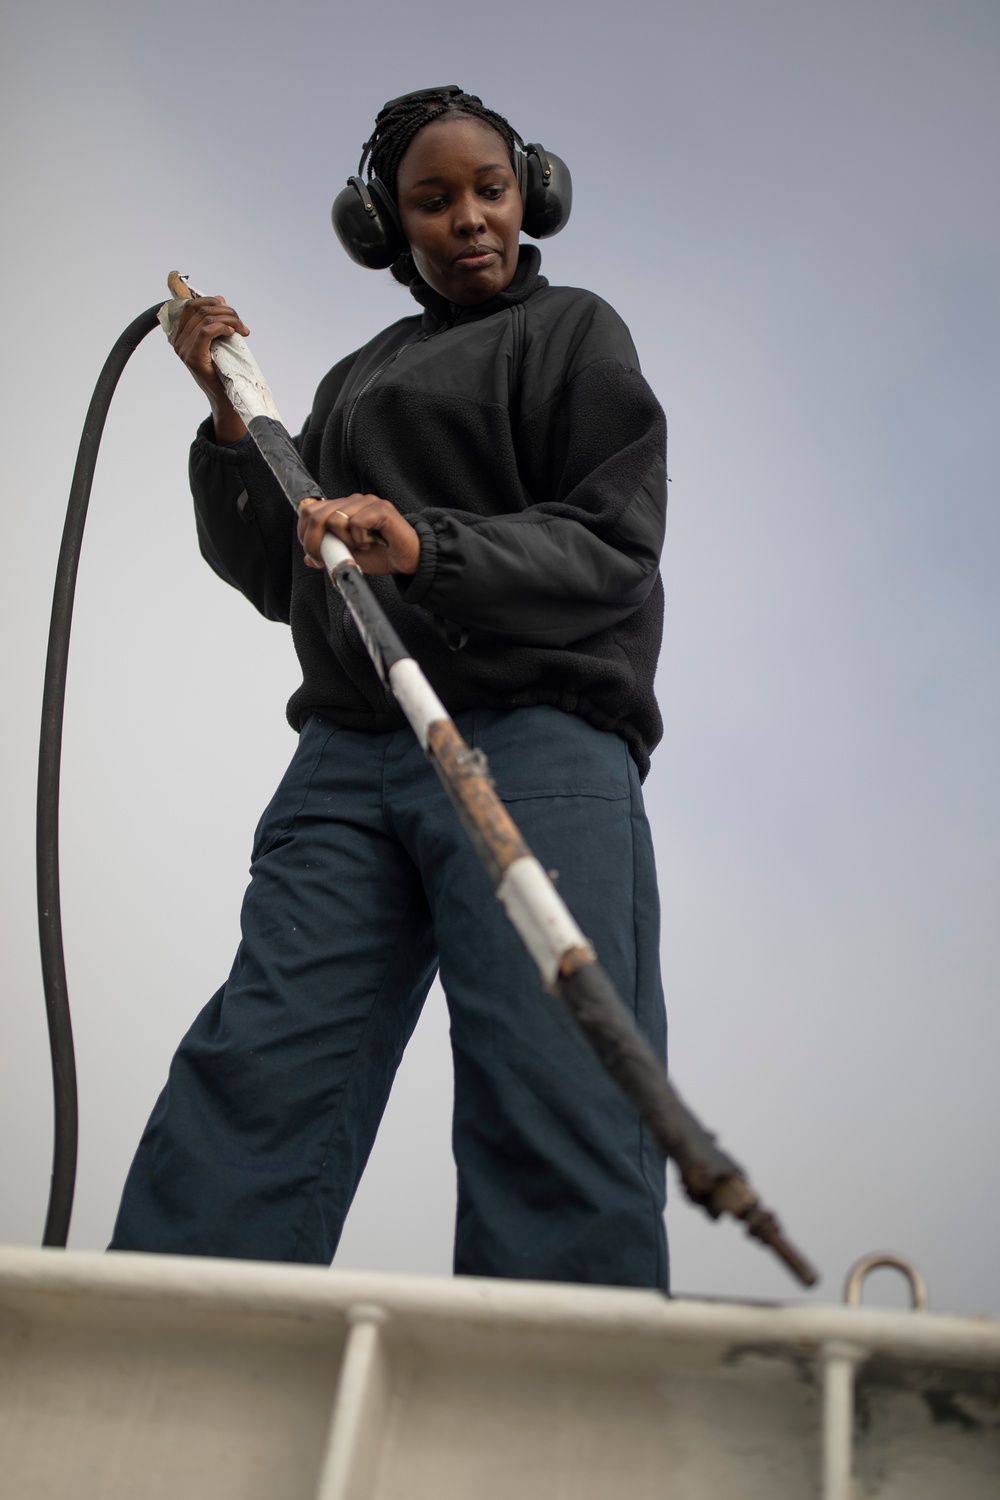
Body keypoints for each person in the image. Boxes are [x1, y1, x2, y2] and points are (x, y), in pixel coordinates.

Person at [110, 86, 669, 1290]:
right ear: (386, 226)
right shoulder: (362, 376)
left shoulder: (573, 331)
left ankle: (561, 1411)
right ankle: (162, 1366)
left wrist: (426, 545)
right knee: (257, 1063)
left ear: (532, 196)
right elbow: (280, 568)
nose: (468, 218)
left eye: (490, 190)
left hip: (538, 741)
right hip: (351, 760)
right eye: (433, 200)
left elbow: (612, 551)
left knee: (552, 1075)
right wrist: (226, 417)